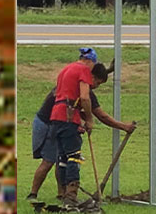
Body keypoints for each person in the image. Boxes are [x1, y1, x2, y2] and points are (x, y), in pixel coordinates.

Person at [29, 48, 135, 210]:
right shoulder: (84, 70)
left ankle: (64, 195)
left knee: (63, 159)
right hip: (62, 119)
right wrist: (90, 121)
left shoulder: (66, 70)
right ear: (90, 63)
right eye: (97, 83)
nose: (96, 86)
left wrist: (82, 118)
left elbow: (72, 96)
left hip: (56, 118)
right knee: (73, 157)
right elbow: (85, 98)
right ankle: (70, 197)